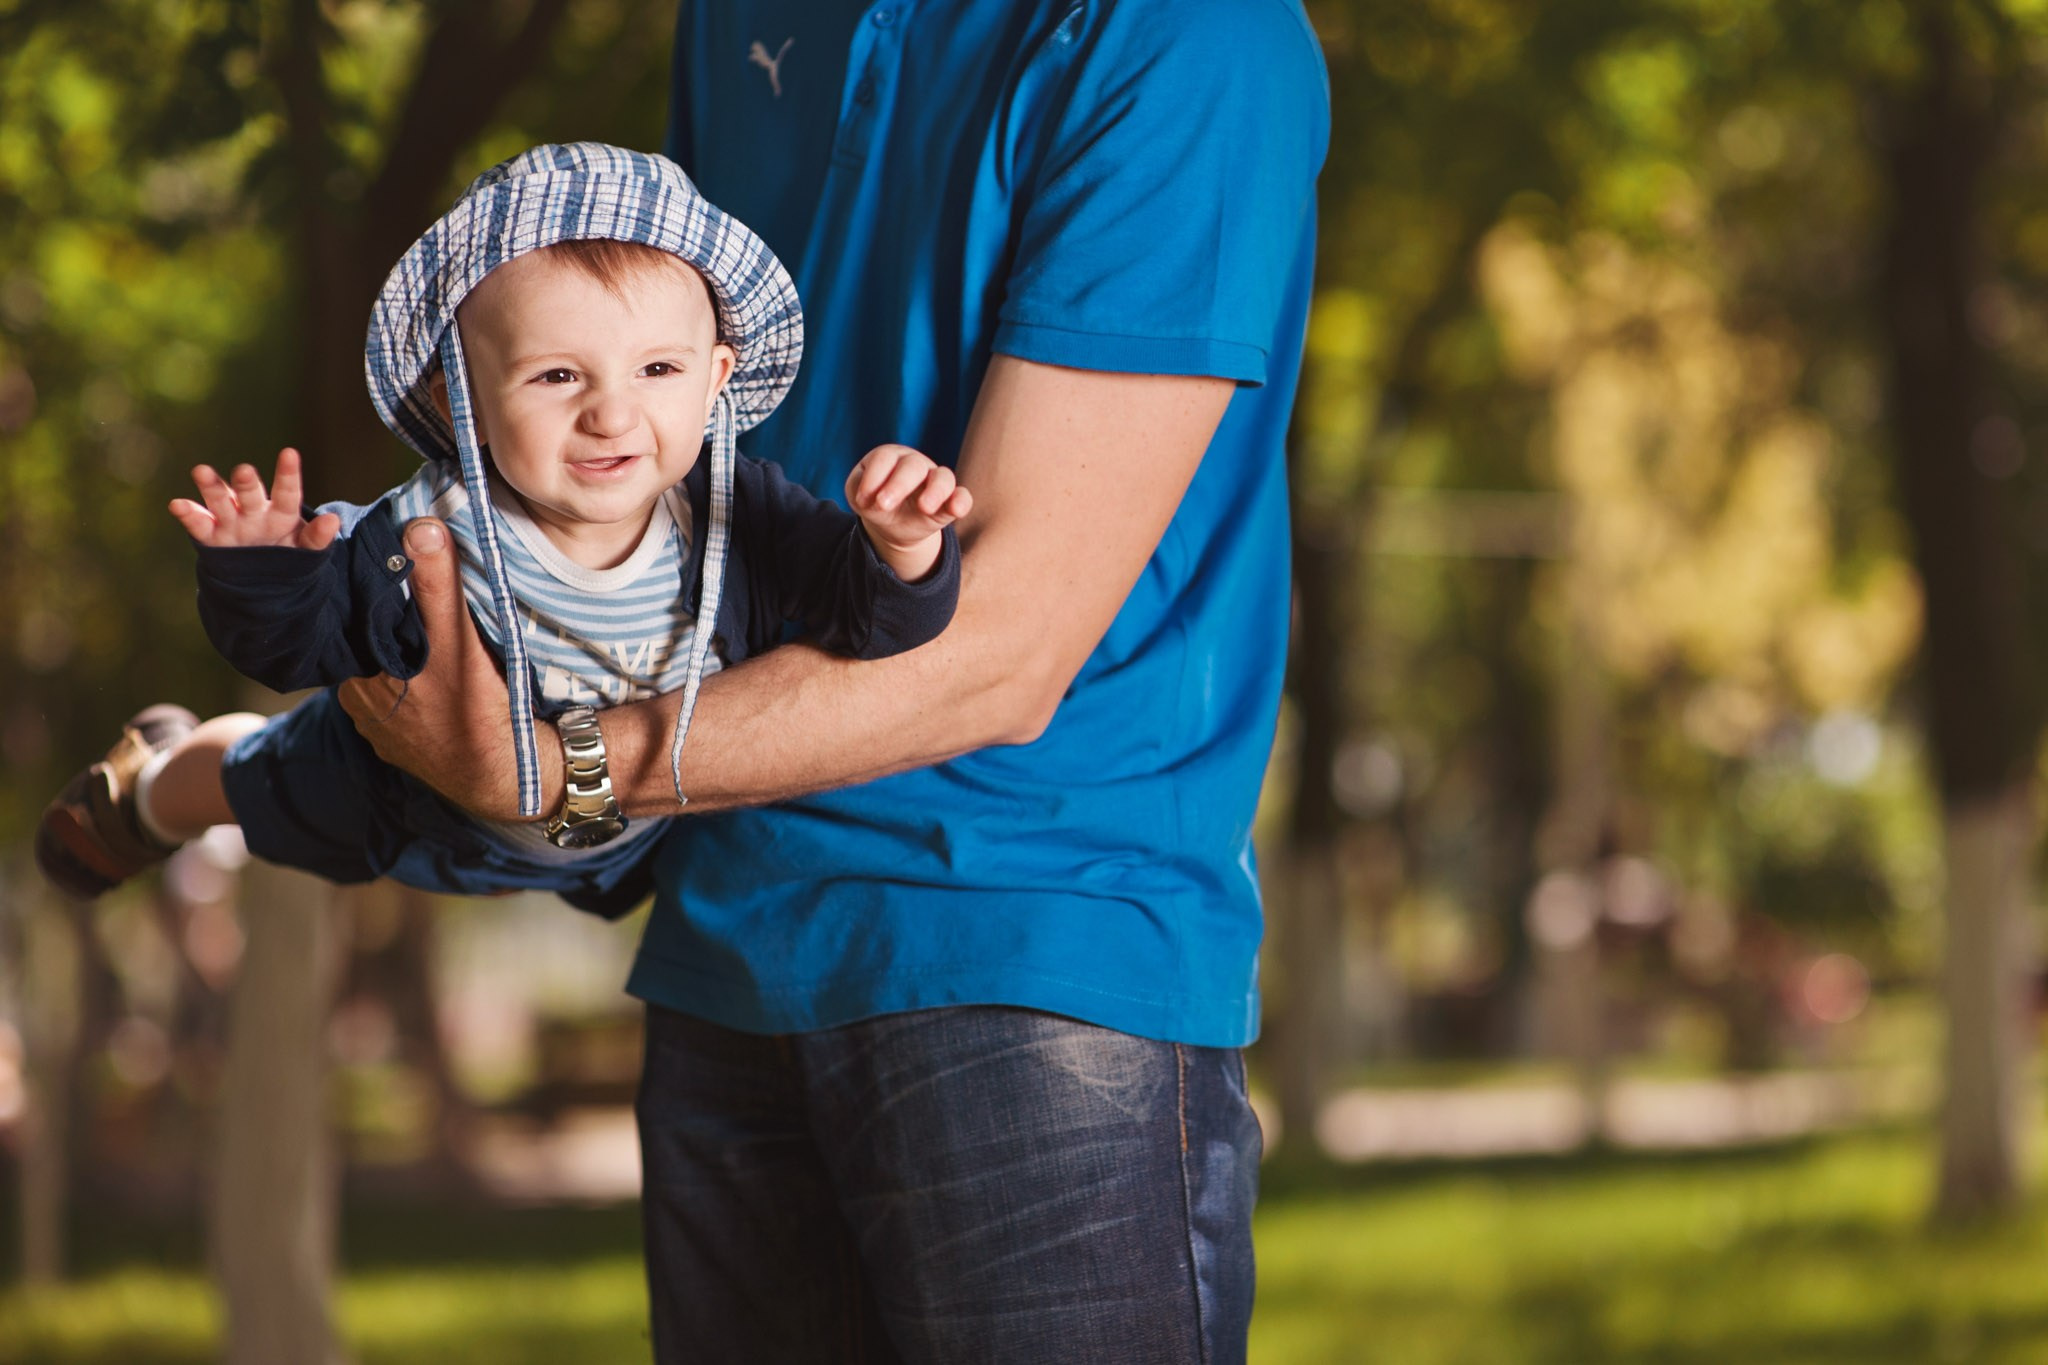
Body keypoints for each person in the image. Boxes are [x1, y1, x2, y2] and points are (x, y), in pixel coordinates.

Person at [349, 5, 1324, 1360]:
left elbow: (1000, 655)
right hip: (729, 939)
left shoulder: (1182, 39)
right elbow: (679, 433)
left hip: (1034, 945)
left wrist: (555, 764)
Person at [35, 143, 968, 915]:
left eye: (657, 369)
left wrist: (898, 545)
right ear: (462, 398)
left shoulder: (743, 519)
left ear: (718, 375)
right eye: (558, 376)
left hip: (607, 838)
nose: (611, 415)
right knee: (247, 781)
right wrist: (268, 573)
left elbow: (871, 627)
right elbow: (293, 646)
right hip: (392, 800)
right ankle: (154, 785)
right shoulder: (417, 537)